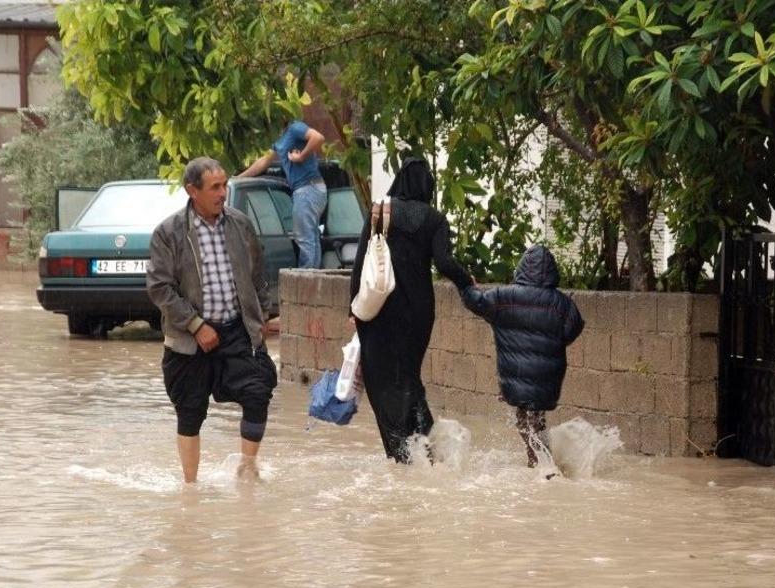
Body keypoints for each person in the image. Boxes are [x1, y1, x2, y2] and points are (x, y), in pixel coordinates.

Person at [147, 157, 278, 483]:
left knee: (258, 392)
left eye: (224, 185)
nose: (223, 193)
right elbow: (160, 287)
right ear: (192, 191)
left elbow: (257, 276)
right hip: (189, 339)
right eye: (215, 187)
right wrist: (196, 325)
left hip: (237, 331)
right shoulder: (169, 233)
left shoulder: (240, 225)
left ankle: (247, 469)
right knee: (190, 411)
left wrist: (262, 317)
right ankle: (190, 487)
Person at [349, 157, 473, 462]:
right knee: (408, 376)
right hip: (418, 314)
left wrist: (353, 308)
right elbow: (444, 263)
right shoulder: (434, 219)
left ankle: (401, 453)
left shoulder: (379, 211)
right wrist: (466, 281)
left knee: (380, 380)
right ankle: (425, 443)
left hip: (378, 311)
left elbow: (360, 262)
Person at [460, 244, 584, 467]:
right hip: (548, 377)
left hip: (515, 376)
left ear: (522, 268)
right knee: (536, 418)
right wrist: (552, 344)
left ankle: (539, 463)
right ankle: (541, 461)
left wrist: (468, 287)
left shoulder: (504, 297)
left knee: (524, 418)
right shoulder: (563, 304)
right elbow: (572, 330)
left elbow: (476, 302)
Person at [238, 119, 328, 269]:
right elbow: (264, 161)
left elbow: (318, 138)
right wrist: (240, 177)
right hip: (308, 190)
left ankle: (306, 276)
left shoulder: (294, 128)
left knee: (305, 238)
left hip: (307, 188)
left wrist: (301, 156)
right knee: (311, 237)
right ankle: (314, 274)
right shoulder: (280, 139)